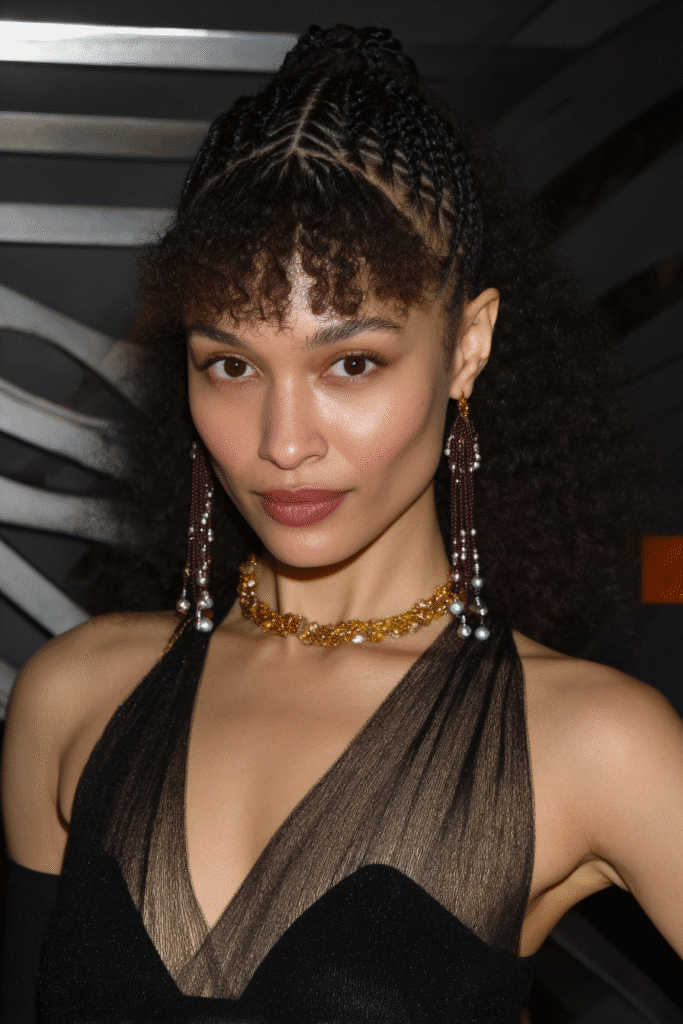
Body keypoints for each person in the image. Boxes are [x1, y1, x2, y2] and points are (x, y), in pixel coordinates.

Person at [1, 23, 682, 1024]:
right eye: (229, 363)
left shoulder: (589, 741)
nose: (281, 442)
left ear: (466, 346)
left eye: (349, 363)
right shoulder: (74, 699)